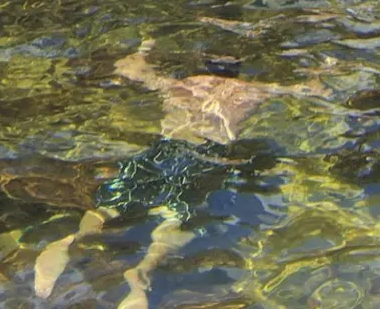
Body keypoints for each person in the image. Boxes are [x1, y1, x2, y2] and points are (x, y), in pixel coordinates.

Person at [32, 39, 330, 303]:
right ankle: (142, 271)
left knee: (110, 205)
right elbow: (308, 91)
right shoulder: (251, 90)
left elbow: (130, 70)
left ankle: (70, 240)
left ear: (202, 63)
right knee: (175, 215)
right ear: (238, 69)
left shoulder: (180, 84)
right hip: (206, 156)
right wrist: (320, 73)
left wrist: (144, 47)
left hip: (163, 148)